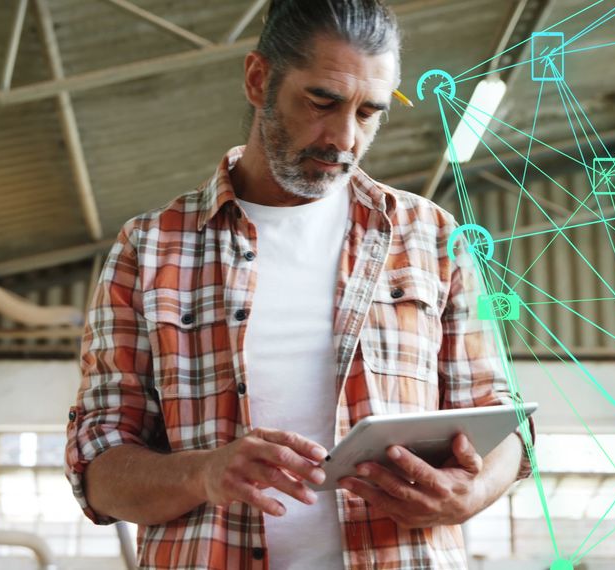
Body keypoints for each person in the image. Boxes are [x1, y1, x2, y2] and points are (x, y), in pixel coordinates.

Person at [65, 1, 534, 567]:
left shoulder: (433, 237)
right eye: (322, 102)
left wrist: (472, 494)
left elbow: (504, 421)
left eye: (369, 113)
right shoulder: (150, 248)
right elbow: (98, 470)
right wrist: (204, 473)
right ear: (258, 79)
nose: (343, 138)